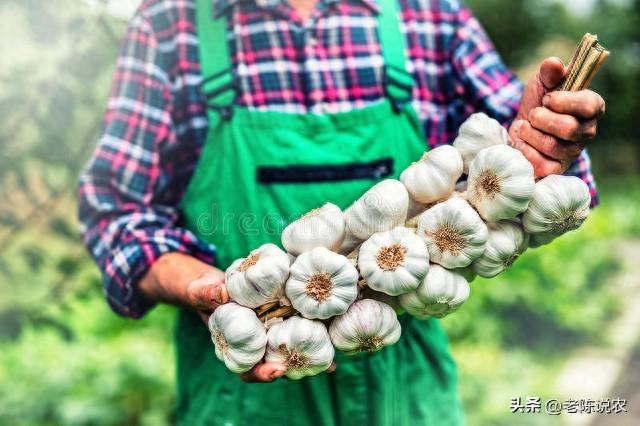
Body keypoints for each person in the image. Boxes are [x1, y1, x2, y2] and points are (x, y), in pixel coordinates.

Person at [78, 0, 605, 424]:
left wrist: (542, 144)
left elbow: (546, 187)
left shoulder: (430, 15)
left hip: (404, 386)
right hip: (244, 387)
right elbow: (116, 213)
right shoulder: (170, 24)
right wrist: (199, 287)